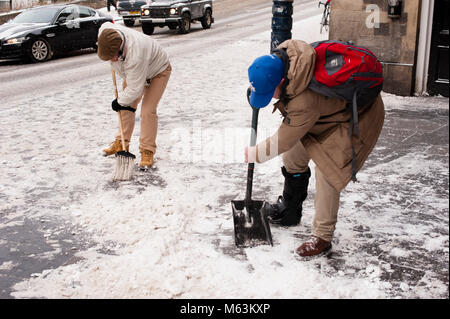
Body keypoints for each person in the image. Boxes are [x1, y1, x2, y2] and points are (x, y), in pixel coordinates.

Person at [245, 39, 384, 258]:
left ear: (281, 80)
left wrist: (255, 154)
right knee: (293, 158)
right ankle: (290, 210)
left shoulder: (304, 101)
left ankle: (322, 237)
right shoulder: (286, 56)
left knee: (328, 171)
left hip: (354, 118)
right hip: (324, 114)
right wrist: (258, 88)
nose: (270, 97)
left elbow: (283, 140)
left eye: (271, 91)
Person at [97, 22, 171, 170]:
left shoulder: (135, 54)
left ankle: (147, 151)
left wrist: (118, 102)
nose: (111, 61)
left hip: (158, 72)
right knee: (126, 107)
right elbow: (104, 24)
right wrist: (122, 103)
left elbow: (135, 90)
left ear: (120, 49)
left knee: (147, 111)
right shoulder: (106, 33)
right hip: (134, 74)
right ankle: (121, 142)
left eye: (112, 57)